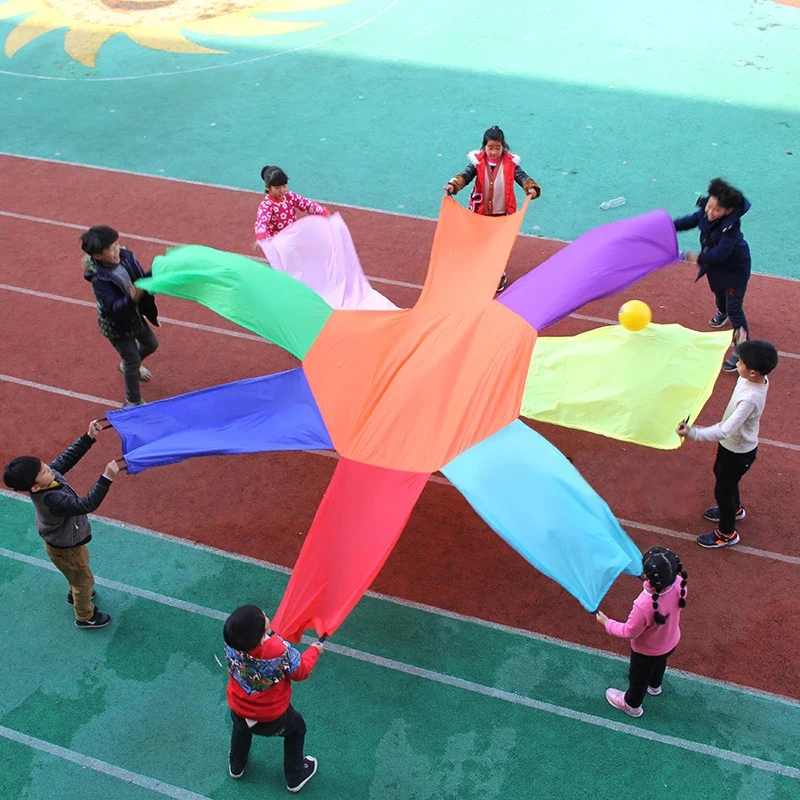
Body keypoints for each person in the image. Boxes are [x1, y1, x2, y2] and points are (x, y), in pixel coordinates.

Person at [3, 420, 121, 628]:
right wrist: (106, 478)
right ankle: (85, 616)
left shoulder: (47, 479)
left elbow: (67, 458)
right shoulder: (52, 500)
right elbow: (87, 504)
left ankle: (75, 591)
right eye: (43, 471)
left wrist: (88, 437)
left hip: (66, 543)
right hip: (65, 547)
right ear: (35, 487)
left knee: (78, 568)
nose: (49, 467)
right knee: (84, 580)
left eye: (43, 465)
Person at [677, 339, 778, 548]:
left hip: (739, 451)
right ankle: (735, 509)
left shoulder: (750, 398)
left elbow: (725, 430)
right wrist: (742, 343)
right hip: (733, 447)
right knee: (723, 476)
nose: (736, 364)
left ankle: (726, 533)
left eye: (739, 362)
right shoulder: (756, 377)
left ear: (752, 372)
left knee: (723, 490)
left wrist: (692, 433)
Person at [224, 604, 323, 793]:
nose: (265, 614)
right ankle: (295, 777)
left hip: (238, 707)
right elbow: (301, 671)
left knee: (241, 728)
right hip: (272, 716)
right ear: (261, 636)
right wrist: (313, 651)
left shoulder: (232, 644)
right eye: (263, 616)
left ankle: (236, 765)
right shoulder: (280, 651)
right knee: (296, 729)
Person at [444, 125, 541, 292]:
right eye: (490, 148)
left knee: (498, 246)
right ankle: (481, 271)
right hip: (480, 212)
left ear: (503, 147)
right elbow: (464, 176)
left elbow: (523, 178)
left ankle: (498, 274)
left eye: (498, 148)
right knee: (480, 243)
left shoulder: (511, 164)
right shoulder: (477, 162)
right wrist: (453, 185)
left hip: (503, 213)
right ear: (484, 147)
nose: (494, 152)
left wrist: (530, 188)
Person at [596, 546, 688, 718]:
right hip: (670, 642)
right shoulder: (680, 583)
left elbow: (629, 631)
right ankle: (655, 686)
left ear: (648, 577)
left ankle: (632, 705)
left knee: (638, 679)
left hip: (646, 652)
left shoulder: (644, 604)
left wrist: (607, 623)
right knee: (659, 664)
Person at [673, 178, 751, 372]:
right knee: (718, 292)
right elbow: (690, 220)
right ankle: (722, 312)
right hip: (715, 268)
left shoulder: (731, 228)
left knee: (735, 308)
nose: (710, 212)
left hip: (734, 271)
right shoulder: (705, 213)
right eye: (709, 206)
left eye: (716, 210)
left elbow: (721, 254)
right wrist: (669, 226)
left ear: (728, 211)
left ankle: (743, 348)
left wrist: (698, 257)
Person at [81, 225, 160, 408]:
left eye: (116, 244)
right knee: (132, 359)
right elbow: (111, 308)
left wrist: (156, 271)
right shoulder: (100, 280)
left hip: (134, 316)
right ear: (97, 256)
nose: (116, 250)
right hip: (115, 326)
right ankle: (132, 402)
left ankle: (126, 366)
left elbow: (141, 280)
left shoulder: (127, 257)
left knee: (151, 344)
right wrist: (132, 299)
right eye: (110, 249)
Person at [253, 166, 329, 246]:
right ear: (267, 187)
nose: (282, 190)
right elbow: (262, 221)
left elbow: (305, 203)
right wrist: (261, 236)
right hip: (278, 243)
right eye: (277, 188)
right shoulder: (266, 205)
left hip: (292, 237)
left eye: (284, 186)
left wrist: (321, 211)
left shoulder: (289, 196)